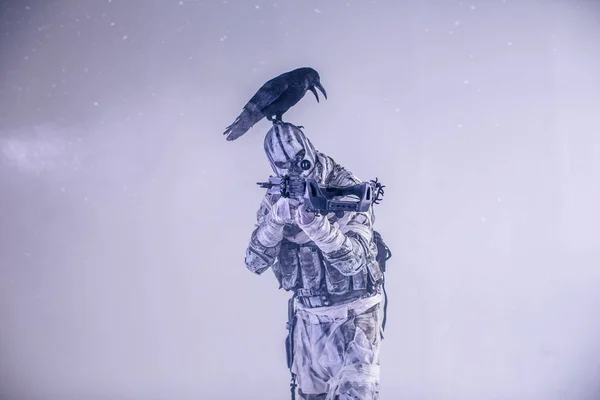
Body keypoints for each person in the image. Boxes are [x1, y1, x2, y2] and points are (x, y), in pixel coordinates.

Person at [244, 122, 388, 400]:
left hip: (355, 318)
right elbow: (254, 263)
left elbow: (353, 263)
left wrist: (318, 228)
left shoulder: (347, 189)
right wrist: (274, 222)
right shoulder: (277, 195)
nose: (295, 171)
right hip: (308, 321)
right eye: (284, 165)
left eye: (300, 161)